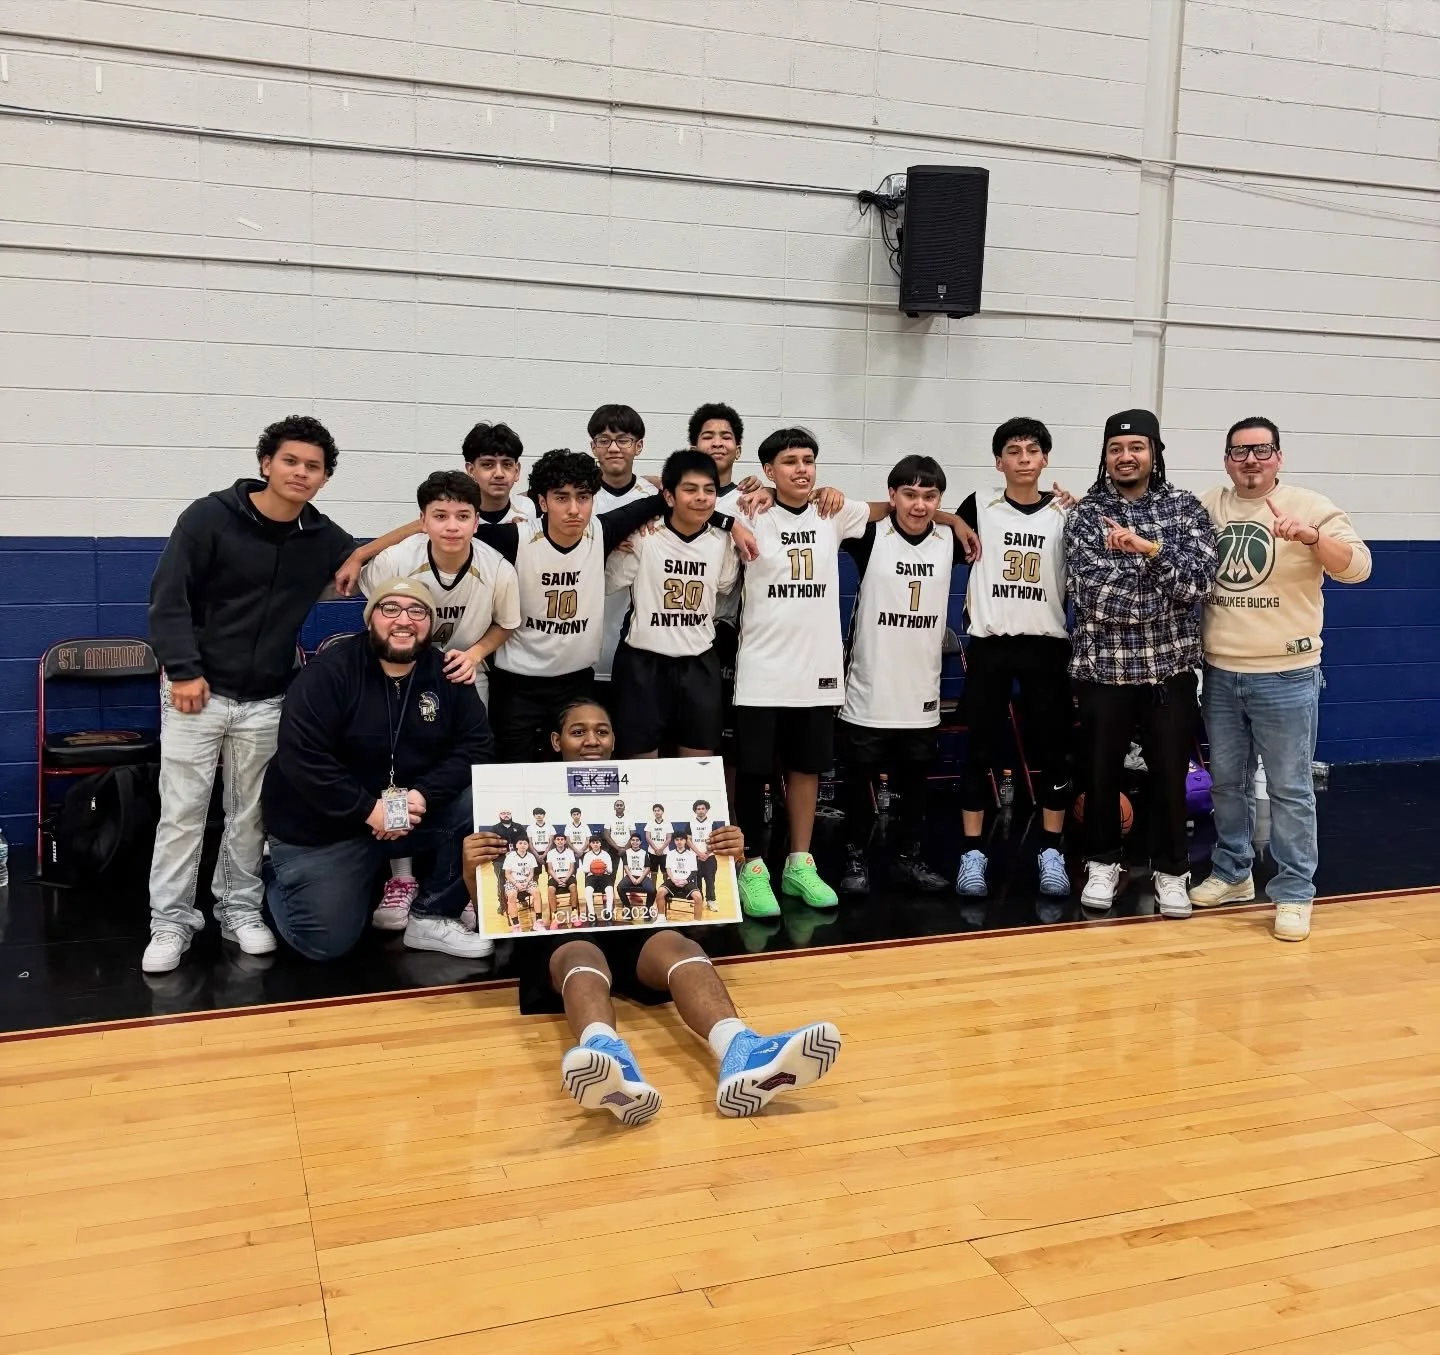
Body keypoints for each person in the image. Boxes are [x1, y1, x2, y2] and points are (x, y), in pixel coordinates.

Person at [462, 699, 842, 1124]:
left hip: (634, 920)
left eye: (602, 731)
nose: (592, 740)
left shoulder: (646, 791)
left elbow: (688, 862)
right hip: (566, 928)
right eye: (578, 731)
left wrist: (730, 855)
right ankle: (609, 1061)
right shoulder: (518, 795)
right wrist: (471, 870)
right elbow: (490, 911)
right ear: (556, 741)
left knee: (680, 947)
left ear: (614, 740)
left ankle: (742, 1049)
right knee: (581, 956)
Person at [344, 449, 753, 762]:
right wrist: (362, 553)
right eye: (561, 498)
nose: (574, 509)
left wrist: (731, 522)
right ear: (542, 502)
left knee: (580, 778)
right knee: (514, 776)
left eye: (583, 497)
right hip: (516, 684)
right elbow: (442, 521)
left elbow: (673, 500)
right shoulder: (515, 538)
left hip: (577, 682)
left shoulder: (602, 531)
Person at [143, 415, 356, 975]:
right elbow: (168, 598)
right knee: (183, 813)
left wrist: (382, 546)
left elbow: (367, 557)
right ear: (266, 463)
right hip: (197, 692)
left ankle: (238, 910)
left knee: (250, 816)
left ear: (324, 478)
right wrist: (183, 670)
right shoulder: (209, 516)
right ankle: (170, 921)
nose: (300, 472)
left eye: (313, 466)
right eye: (290, 461)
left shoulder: (322, 536)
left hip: (266, 699)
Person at [1189, 417, 1371, 941]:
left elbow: (1358, 567)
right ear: (1227, 459)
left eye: (1261, 450)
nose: (1250, 460)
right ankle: (1233, 873)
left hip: (1287, 674)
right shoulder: (1208, 505)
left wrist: (1312, 537)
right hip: (1220, 671)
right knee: (1228, 784)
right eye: (1240, 451)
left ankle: (1294, 892)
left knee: (1290, 790)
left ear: (1278, 457)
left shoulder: (1310, 505)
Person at [260, 579, 494, 960]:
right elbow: (301, 755)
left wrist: (423, 794)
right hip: (326, 830)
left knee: (477, 799)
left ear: (430, 623)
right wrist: (368, 809)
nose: (404, 620)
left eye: (417, 611)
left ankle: (431, 915)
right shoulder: (330, 672)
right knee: (323, 943)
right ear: (370, 620)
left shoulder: (447, 673)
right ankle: (277, 871)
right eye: (390, 609)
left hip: (405, 817)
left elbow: (476, 745)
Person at [1066, 410, 1218, 916]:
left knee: (1170, 774)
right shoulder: (1086, 515)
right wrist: (1163, 592)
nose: (1125, 456)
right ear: (1105, 456)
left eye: (1136, 447)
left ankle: (1172, 870)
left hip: (1169, 671)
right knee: (1100, 772)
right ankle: (1103, 862)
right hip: (1103, 669)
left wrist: (1148, 552)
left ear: (1154, 452)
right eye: (1116, 448)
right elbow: (1094, 597)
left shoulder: (1185, 508)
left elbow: (1198, 584)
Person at [360, 471, 519, 931]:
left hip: (461, 672)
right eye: (441, 515)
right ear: (423, 520)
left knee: (470, 773)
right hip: (401, 670)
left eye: (462, 516)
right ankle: (401, 876)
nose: (452, 525)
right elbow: (379, 614)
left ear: (476, 521)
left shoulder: (496, 568)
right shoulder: (396, 559)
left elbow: (506, 624)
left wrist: (475, 653)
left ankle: (463, 883)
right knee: (397, 765)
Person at [953, 419, 1075, 899]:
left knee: (1054, 751)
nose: (1024, 458)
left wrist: (1082, 509)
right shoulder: (979, 504)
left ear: (1045, 459)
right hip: (992, 644)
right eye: (1013, 450)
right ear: (998, 461)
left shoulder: (1066, 512)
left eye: (1032, 450)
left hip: (1046, 644)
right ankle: (971, 853)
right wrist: (953, 520)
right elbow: (925, 516)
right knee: (978, 749)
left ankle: (1051, 851)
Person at [835, 454, 961, 898]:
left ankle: (908, 858)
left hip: (921, 689)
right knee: (858, 783)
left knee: (916, 786)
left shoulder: (950, 539)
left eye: (930, 496)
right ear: (892, 495)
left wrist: (953, 520)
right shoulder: (871, 535)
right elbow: (823, 510)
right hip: (869, 688)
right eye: (909, 494)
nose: (919, 505)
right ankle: (854, 857)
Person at [605, 450, 741, 757]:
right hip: (644, 663)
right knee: (642, 762)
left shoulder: (722, 541)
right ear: (669, 496)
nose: (701, 497)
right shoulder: (645, 536)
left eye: (709, 490)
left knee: (697, 764)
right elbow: (609, 583)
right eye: (690, 489)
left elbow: (725, 585)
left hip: (699, 662)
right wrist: (617, 543)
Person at [589, 404, 654, 689]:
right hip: (585, 645)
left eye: (623, 440)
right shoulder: (579, 496)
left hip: (638, 646)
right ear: (593, 447)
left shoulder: (656, 497)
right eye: (604, 440)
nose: (614, 448)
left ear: (638, 446)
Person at [462, 420, 535, 525]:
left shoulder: (527, 509)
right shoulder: (457, 514)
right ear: (471, 470)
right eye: (488, 464)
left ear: (517, 471)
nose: (499, 474)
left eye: (507, 465)